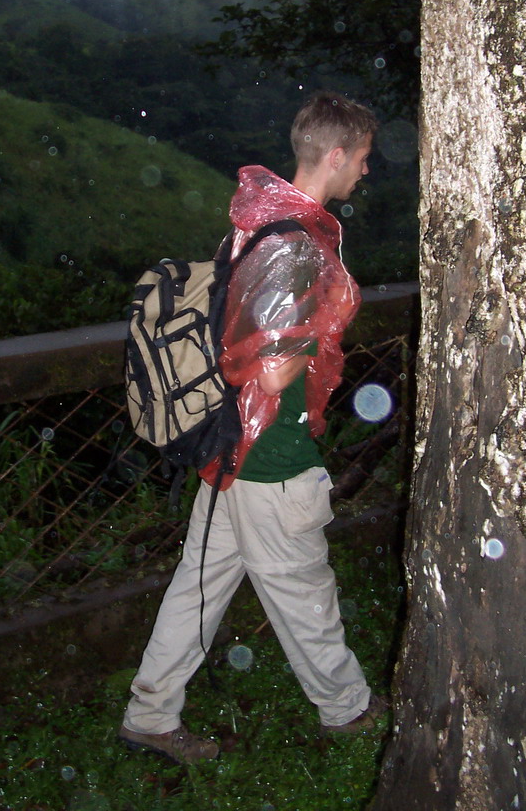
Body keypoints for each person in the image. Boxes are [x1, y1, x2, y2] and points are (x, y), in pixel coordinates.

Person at [119, 91, 386, 764]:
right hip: (267, 454)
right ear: (334, 155)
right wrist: (314, 333)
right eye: (361, 159)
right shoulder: (294, 245)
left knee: (198, 584)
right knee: (304, 588)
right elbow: (269, 372)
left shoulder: (254, 223)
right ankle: (349, 711)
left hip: (227, 444)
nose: (365, 171)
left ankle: (150, 715)